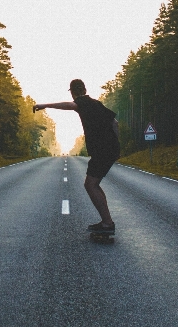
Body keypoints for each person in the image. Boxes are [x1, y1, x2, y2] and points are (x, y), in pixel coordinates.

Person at [34, 79, 120, 233]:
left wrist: (45, 105)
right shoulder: (96, 104)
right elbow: (115, 123)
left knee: (91, 185)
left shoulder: (82, 103)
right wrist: (115, 144)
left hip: (101, 150)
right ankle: (107, 221)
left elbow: (70, 105)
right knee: (94, 184)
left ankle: (107, 223)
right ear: (85, 89)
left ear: (73, 92)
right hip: (110, 149)